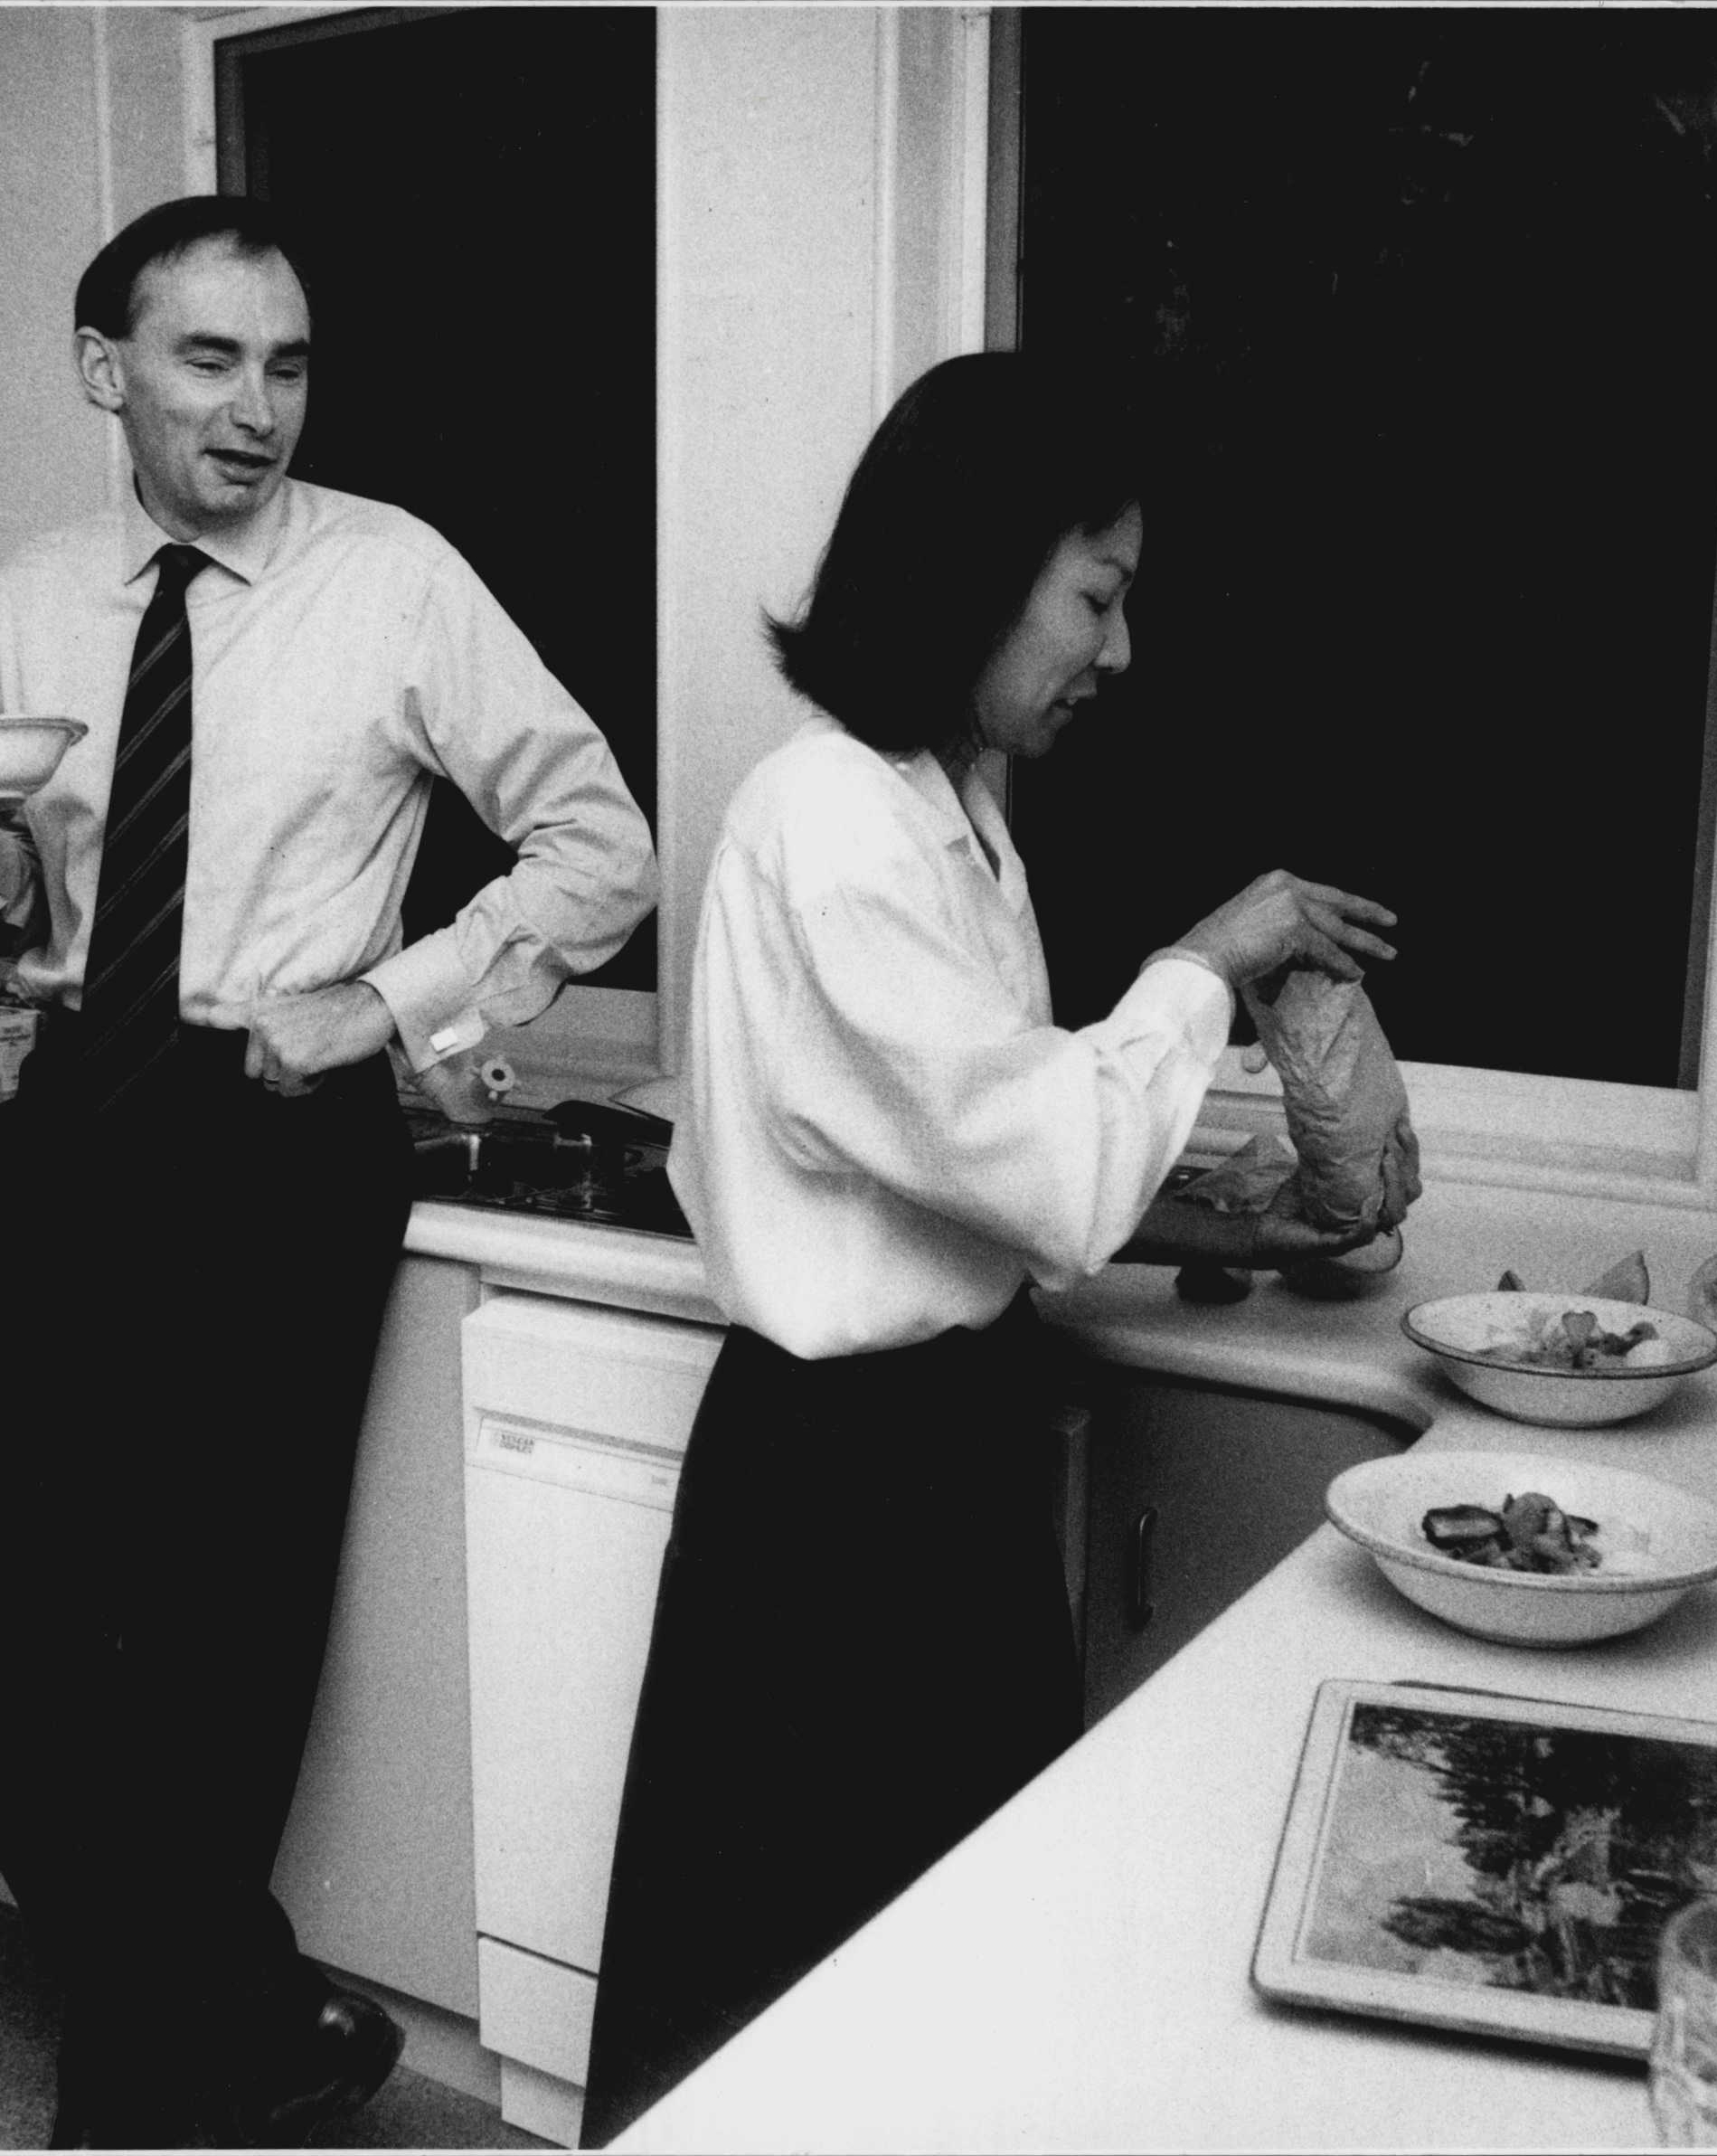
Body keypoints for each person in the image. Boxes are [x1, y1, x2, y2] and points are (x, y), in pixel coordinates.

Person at [0, 195, 655, 2150]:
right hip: (65, 1125)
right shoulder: (26, 598)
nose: (258, 406)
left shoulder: (396, 580)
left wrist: (381, 1002)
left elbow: (598, 843)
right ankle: (235, 2007)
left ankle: (138, 2107)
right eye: (210, 358)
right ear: (104, 372)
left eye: (287, 362)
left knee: (211, 1661)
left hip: (271, 1144)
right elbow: (22, 896)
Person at [576, 350, 1414, 2144]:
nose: (1120, 652)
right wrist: (1211, 958)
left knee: (955, 1974)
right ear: (972, 565)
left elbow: (973, 1143)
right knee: (792, 2002)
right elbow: (1028, 1159)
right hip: (835, 1489)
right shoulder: (831, 822)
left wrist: (1237, 1214)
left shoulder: (960, 814)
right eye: (1098, 596)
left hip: (936, 1456)